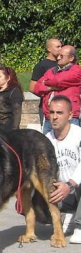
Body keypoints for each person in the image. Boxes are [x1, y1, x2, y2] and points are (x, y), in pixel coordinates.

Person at [45, 96, 81, 244]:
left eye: (59, 113)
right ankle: (68, 215)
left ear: (70, 115)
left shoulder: (78, 134)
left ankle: (79, 225)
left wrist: (70, 184)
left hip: (76, 187)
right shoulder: (46, 139)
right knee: (30, 198)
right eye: (52, 112)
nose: (54, 117)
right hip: (62, 191)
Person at [34, 45, 81, 134]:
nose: (58, 58)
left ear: (71, 58)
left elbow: (58, 81)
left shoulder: (77, 70)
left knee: (70, 146)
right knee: (47, 146)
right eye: (57, 56)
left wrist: (46, 82)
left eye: (61, 56)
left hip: (69, 118)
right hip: (50, 117)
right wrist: (50, 88)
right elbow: (37, 87)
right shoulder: (51, 71)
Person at [29, 38, 62, 128]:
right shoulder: (41, 66)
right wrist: (49, 92)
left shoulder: (63, 64)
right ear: (49, 49)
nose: (60, 49)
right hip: (47, 108)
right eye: (58, 47)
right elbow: (32, 87)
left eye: (61, 46)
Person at [0, 66, 23, 133]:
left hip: (7, 132)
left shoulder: (14, 91)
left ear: (8, 78)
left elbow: (17, 113)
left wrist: (14, 132)